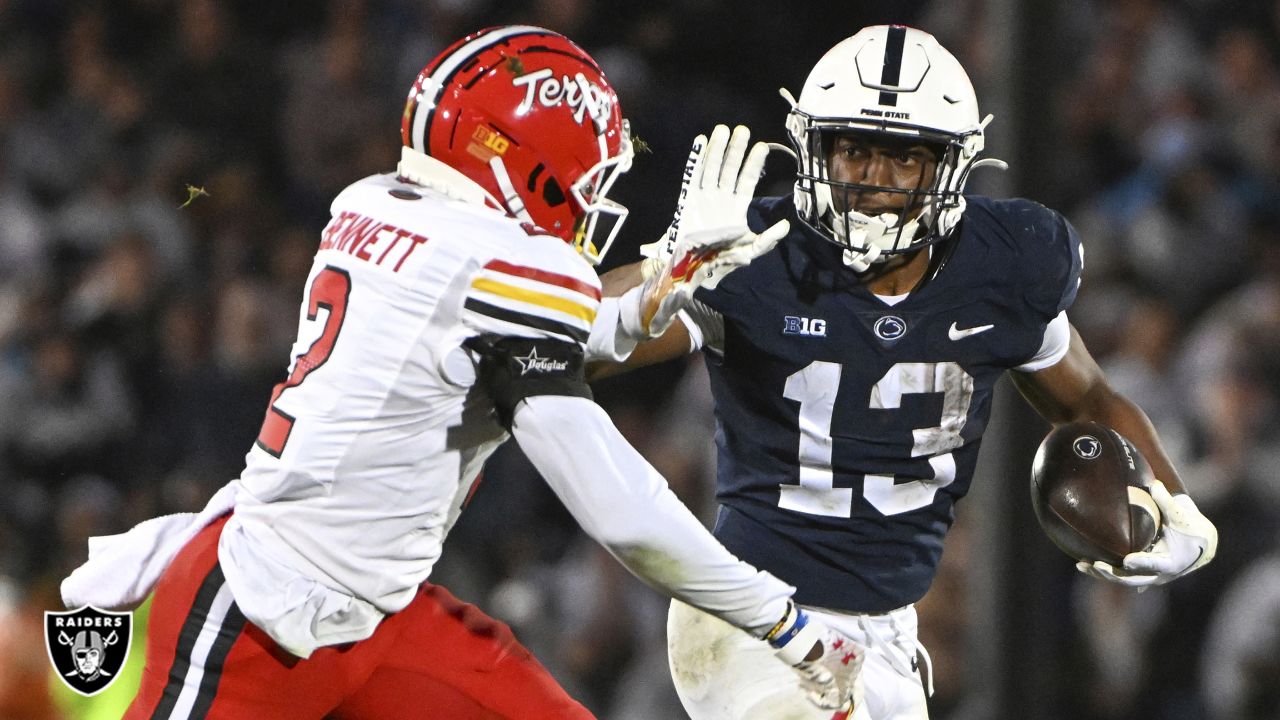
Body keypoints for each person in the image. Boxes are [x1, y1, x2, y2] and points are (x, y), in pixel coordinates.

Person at [58, 26, 864, 719]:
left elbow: (540, 332)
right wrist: (779, 620)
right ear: (527, 164)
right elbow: (613, 498)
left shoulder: (375, 206)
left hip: (379, 613)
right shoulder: (490, 262)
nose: (587, 208)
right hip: (261, 621)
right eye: (584, 182)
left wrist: (668, 283)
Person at [589, 25, 1220, 720]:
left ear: (950, 168)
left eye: (902, 159)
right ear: (814, 147)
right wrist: (664, 277)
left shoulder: (1002, 267)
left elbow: (1088, 396)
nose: (872, 181)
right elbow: (576, 343)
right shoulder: (757, 251)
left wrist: (1176, 506)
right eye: (853, 150)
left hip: (888, 633)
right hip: (748, 619)